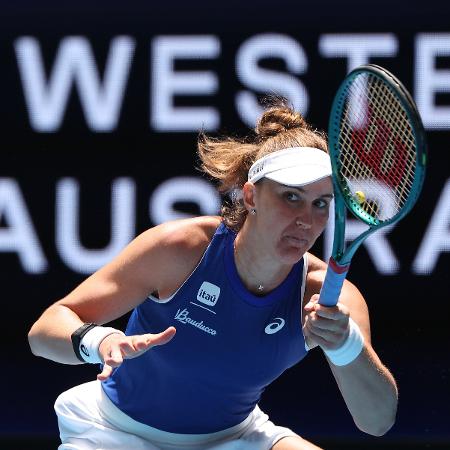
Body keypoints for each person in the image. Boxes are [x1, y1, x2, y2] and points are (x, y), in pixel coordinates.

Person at [28, 101, 398, 450]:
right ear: (251, 197)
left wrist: (345, 344)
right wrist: (101, 341)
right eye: (291, 197)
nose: (307, 220)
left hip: (233, 438)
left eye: (320, 203)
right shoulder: (182, 250)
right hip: (116, 432)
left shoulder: (330, 297)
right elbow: (44, 332)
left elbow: (377, 421)